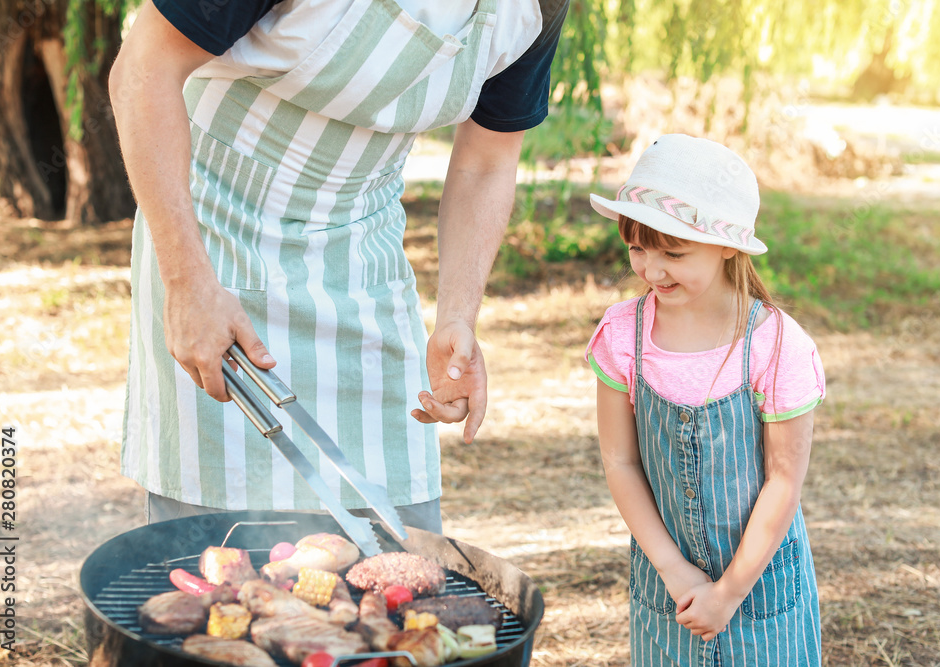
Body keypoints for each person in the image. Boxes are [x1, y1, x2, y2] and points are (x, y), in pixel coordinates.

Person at [108, 0, 568, 531]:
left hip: (360, 256)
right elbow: (143, 69)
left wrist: (457, 316)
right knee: (218, 545)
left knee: (396, 541)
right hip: (212, 239)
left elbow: (486, 161)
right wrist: (187, 282)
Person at [586, 134, 824, 664]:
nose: (651, 269)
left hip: (759, 590)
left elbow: (784, 480)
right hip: (665, 588)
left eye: (674, 252)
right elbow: (619, 460)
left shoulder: (776, 344)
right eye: (638, 247)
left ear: (727, 246)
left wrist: (730, 591)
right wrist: (673, 568)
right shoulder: (622, 334)